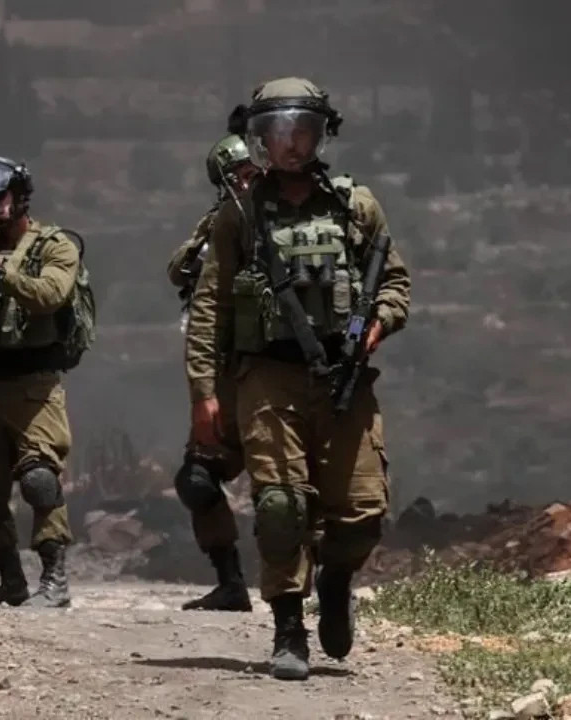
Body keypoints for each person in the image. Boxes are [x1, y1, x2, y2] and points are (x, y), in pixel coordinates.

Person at [185, 77, 411, 680]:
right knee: (281, 505)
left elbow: (394, 282)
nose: (291, 144)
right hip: (267, 378)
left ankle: (334, 582)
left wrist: (379, 322)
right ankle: (288, 628)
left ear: (320, 135)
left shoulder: (355, 206)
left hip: (343, 376)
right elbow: (210, 307)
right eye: (279, 132)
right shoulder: (239, 215)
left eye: (303, 131)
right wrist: (204, 394)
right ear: (261, 139)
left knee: (362, 513)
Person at [0, 156, 95, 609]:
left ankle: (55, 579)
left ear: (19, 195)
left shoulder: (55, 245)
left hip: (35, 385)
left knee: (39, 478)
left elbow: (51, 295)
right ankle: (11, 579)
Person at [164, 128, 259, 612]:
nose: (247, 181)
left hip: (276, 369)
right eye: (237, 176)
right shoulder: (220, 222)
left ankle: (318, 588)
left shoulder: (287, 217)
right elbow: (179, 269)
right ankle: (231, 582)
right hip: (227, 371)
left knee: (286, 491)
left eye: (251, 172)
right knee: (197, 480)